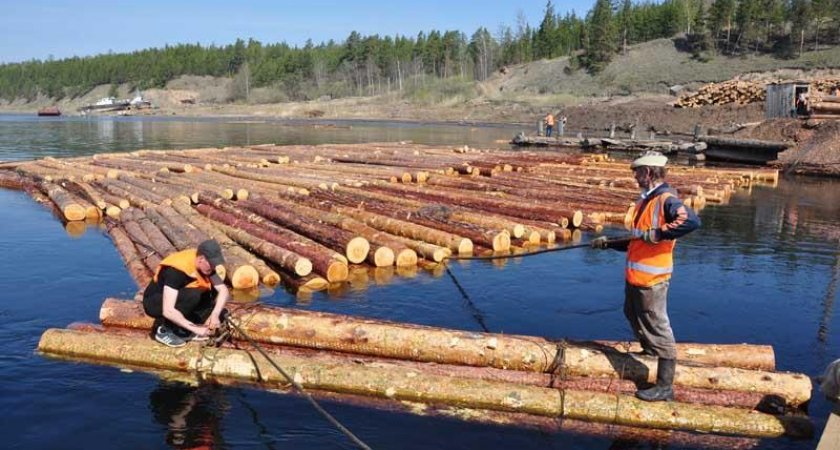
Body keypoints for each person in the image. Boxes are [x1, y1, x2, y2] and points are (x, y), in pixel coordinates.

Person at [591, 151, 700, 402]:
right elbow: (637, 240)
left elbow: (691, 221)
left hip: (652, 279)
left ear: (649, 173)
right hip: (636, 276)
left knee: (657, 325)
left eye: (637, 172)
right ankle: (651, 349)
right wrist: (608, 243)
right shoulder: (644, 202)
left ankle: (664, 385)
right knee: (631, 313)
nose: (635, 177)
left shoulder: (666, 199)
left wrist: (659, 234)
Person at [143, 239, 230, 348]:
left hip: (178, 297)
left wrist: (215, 314)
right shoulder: (176, 271)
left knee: (208, 294)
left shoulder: (206, 266)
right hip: (154, 302)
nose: (213, 268)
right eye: (211, 264)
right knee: (193, 295)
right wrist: (196, 329)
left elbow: (223, 290)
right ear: (201, 259)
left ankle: (182, 326)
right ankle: (163, 329)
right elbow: (168, 310)